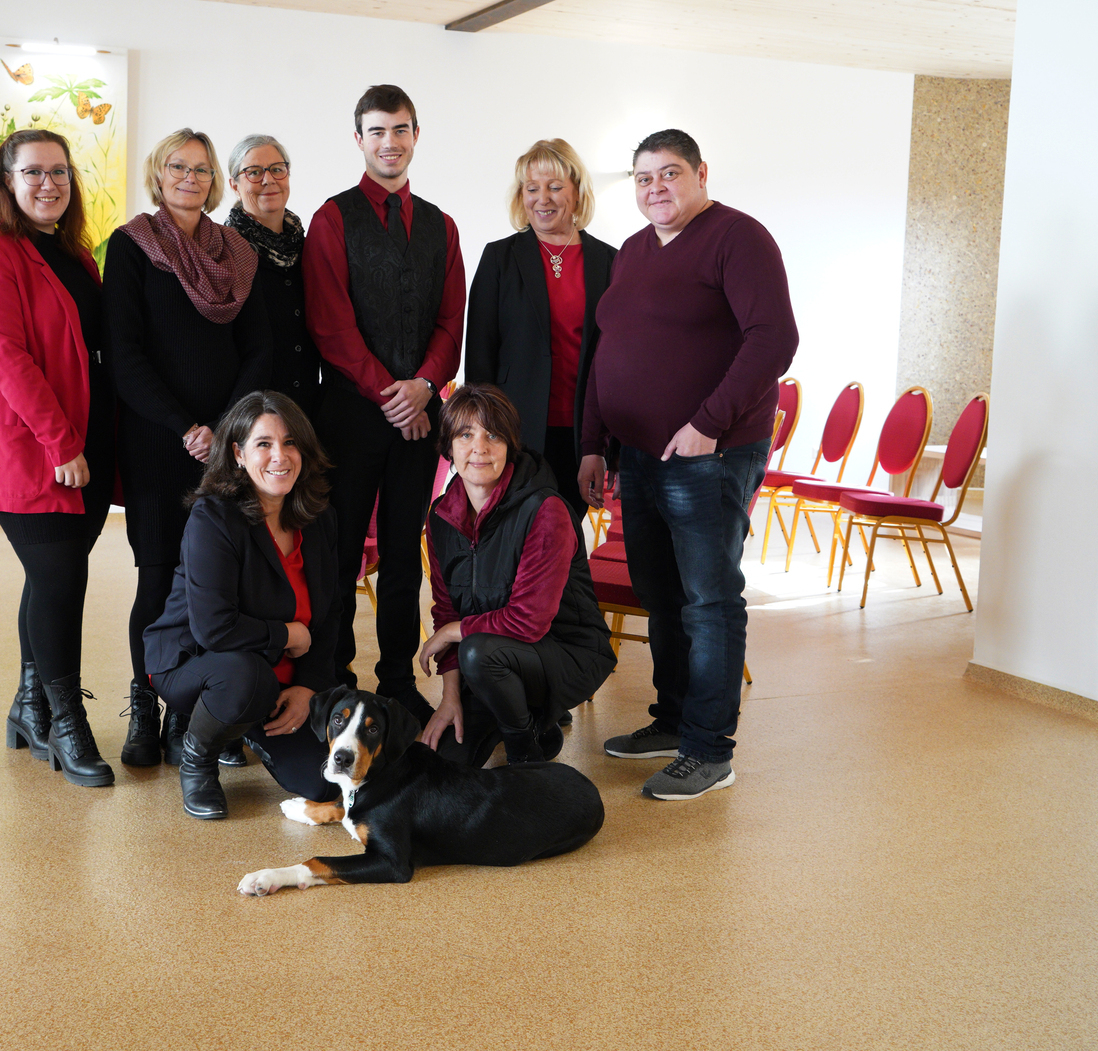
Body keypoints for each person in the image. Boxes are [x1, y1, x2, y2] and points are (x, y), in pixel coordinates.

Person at [578, 129, 798, 800]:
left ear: (701, 173)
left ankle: (709, 749)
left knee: (709, 604)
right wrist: (593, 441)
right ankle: (671, 720)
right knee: (662, 596)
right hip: (638, 457)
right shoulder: (636, 251)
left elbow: (774, 339)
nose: (656, 188)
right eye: (643, 178)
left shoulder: (739, 237)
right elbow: (607, 349)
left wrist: (708, 421)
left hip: (710, 454)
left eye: (669, 174)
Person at [104, 129, 272, 771]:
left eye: (202, 169)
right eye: (179, 166)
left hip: (227, 448)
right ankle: (146, 708)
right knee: (158, 579)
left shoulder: (238, 251)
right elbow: (123, 352)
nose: (190, 177)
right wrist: (185, 427)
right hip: (157, 441)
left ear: (216, 180)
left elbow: (258, 347)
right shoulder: (132, 246)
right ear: (159, 172)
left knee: (216, 582)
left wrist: (224, 428)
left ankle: (196, 719)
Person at [0, 129, 118, 787]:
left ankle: (28, 706)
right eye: (32, 173)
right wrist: (63, 443)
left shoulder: (75, 256)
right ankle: (63, 720)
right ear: (7, 183)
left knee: (52, 571)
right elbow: (8, 358)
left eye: (59, 172)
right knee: (60, 577)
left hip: (82, 443)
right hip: (28, 447)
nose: (48, 184)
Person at [303, 84, 465, 722]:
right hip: (348, 416)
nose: (389, 143)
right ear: (359, 140)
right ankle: (336, 675)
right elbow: (330, 324)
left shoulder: (441, 225)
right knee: (342, 553)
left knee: (404, 554)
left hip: (421, 416)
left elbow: (451, 321)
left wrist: (426, 384)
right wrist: (394, 396)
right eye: (377, 131)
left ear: (415, 136)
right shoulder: (332, 218)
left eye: (400, 130)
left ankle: (397, 678)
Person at [144, 391, 342, 819]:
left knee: (324, 783)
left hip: (281, 675)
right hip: (198, 663)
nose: (280, 456)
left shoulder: (319, 517)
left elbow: (331, 614)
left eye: (290, 443)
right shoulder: (213, 517)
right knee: (245, 679)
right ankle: (198, 757)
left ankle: (247, 728)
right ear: (237, 453)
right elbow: (213, 629)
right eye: (264, 444)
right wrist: (288, 634)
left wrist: (308, 686)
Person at [418, 385, 615, 768]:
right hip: (495, 659)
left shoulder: (546, 510)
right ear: (448, 448)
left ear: (510, 445)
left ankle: (526, 757)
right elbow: (446, 610)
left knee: (478, 651)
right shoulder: (440, 516)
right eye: (465, 434)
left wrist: (455, 631)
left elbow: (527, 620)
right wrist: (450, 696)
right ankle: (538, 728)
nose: (480, 447)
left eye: (493, 434)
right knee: (446, 761)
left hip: (568, 652)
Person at [464, 139, 616, 531]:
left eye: (555, 186)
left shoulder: (610, 261)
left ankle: (565, 597)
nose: (542, 198)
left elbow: (617, 360)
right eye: (532, 188)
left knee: (565, 535)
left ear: (577, 191)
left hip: (583, 434)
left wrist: (603, 446)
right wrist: (479, 436)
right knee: (514, 537)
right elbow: (480, 356)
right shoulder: (499, 257)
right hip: (514, 432)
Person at [224, 134, 324, 420]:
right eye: (254, 172)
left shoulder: (308, 246)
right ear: (234, 184)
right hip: (249, 412)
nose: (268, 179)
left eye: (277, 169)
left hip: (306, 408)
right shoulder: (224, 250)